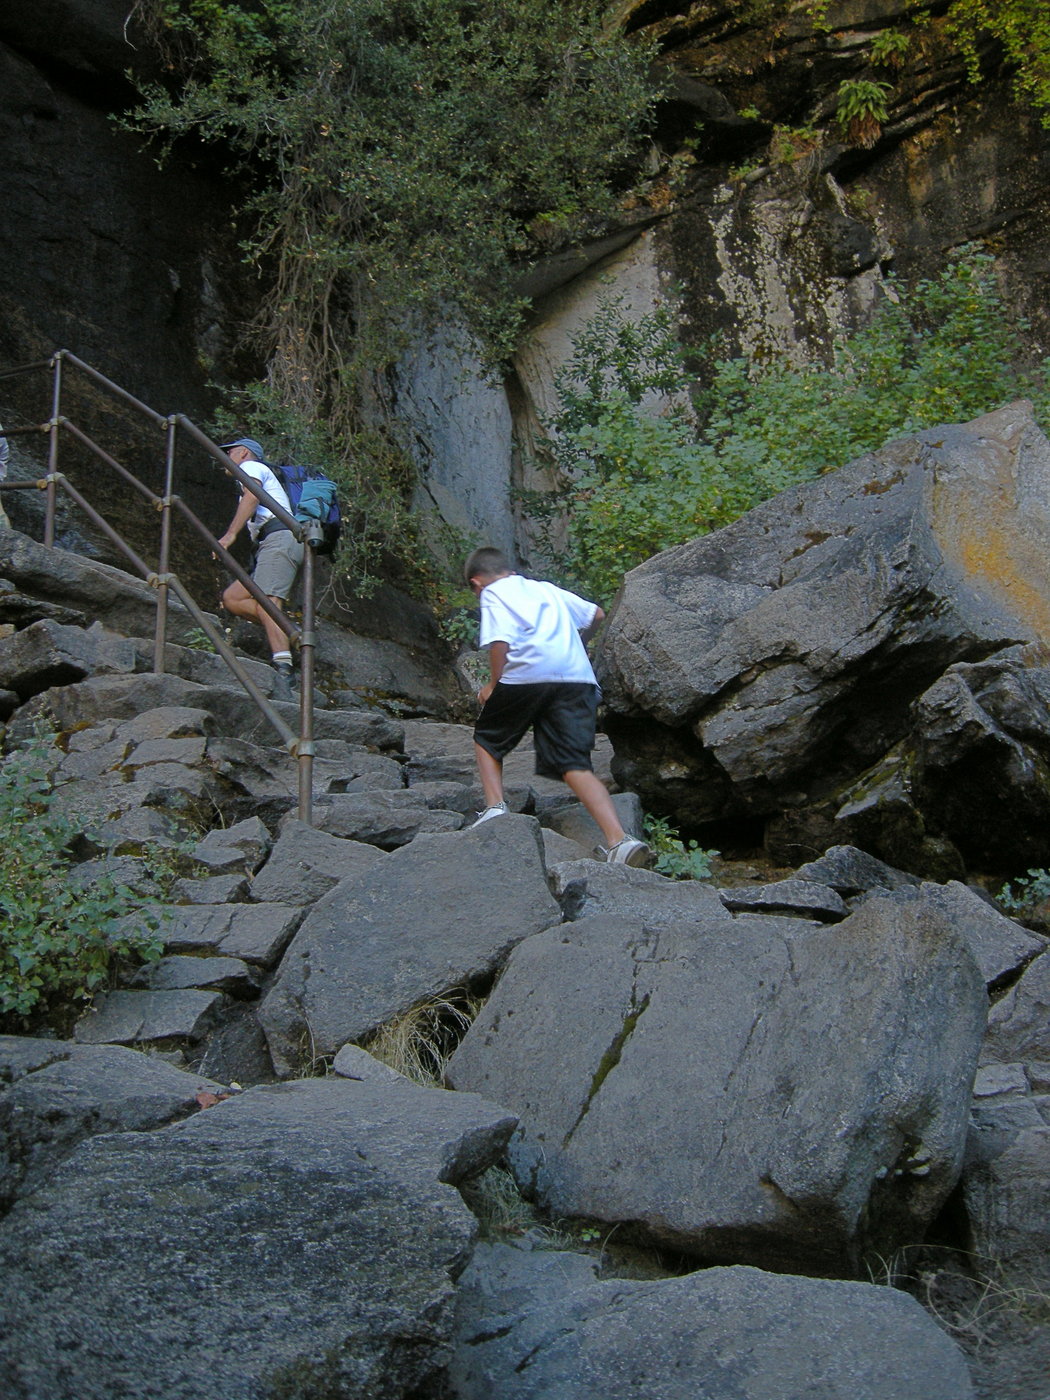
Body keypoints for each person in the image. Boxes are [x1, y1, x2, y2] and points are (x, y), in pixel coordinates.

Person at [465, 546, 651, 866]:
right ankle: (619, 841)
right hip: (576, 678)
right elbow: (596, 614)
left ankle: (495, 808)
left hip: (527, 674)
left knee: (487, 739)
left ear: (477, 582)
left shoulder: (493, 593)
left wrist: (494, 685)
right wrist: (581, 642)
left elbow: (500, 641)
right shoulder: (545, 589)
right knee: (573, 764)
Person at [216, 437, 304, 702]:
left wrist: (230, 535)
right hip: (271, 542)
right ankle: (289, 631)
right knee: (233, 598)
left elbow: (252, 496)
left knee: (269, 600)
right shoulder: (252, 471)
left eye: (229, 452)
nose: (226, 457)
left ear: (243, 452)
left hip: (279, 537)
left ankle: (283, 666)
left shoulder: (252, 468)